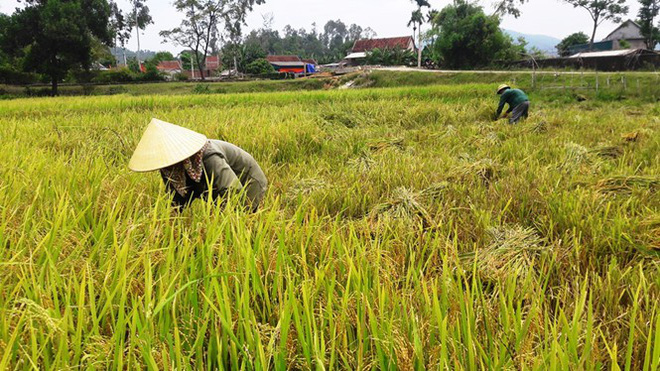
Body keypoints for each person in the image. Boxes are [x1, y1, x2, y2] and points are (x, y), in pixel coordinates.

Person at [129, 118, 268, 211]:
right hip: (220, 187)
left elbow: (232, 190)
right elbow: (177, 195)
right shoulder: (169, 166)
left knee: (243, 219)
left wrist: (224, 219)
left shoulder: (209, 156)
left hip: (247, 181)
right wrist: (173, 221)